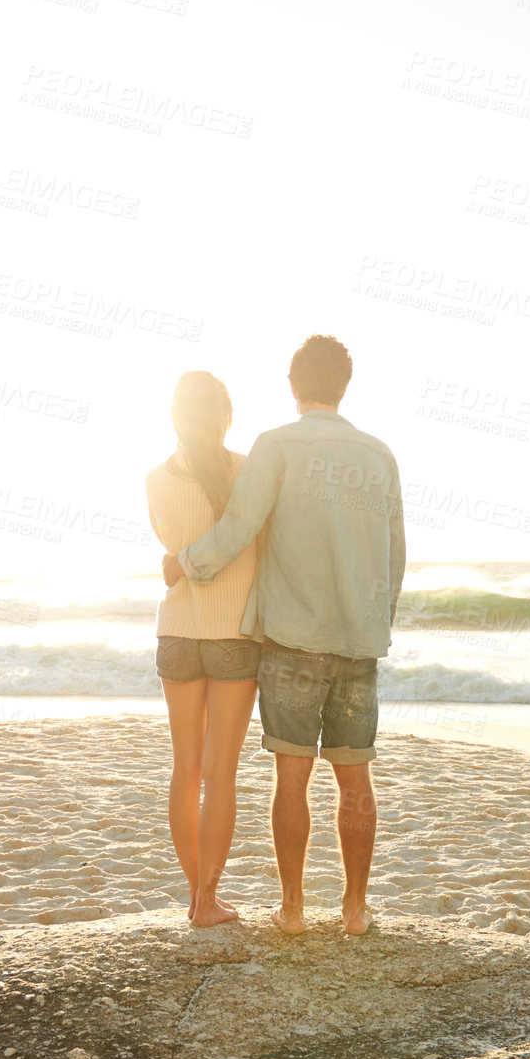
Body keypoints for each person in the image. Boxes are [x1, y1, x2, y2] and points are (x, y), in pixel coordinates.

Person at [163, 336, 405, 937]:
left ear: (293, 386)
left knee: (291, 777)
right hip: (357, 641)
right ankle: (354, 910)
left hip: (291, 640)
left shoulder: (275, 446)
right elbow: (394, 553)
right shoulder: (378, 455)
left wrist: (186, 563)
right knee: (356, 779)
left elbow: (240, 526)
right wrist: (379, 620)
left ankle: (293, 910)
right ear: (345, 386)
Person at [145, 371, 260, 928]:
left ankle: (198, 897)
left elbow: (171, 543)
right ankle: (206, 899)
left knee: (185, 769)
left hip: (177, 630)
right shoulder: (247, 473)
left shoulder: (155, 479)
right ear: (226, 415)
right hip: (234, 632)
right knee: (221, 771)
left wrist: (184, 560)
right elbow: (251, 541)